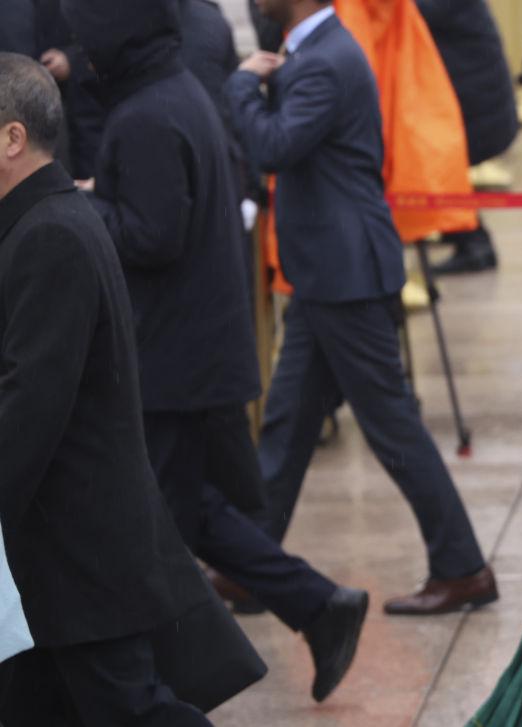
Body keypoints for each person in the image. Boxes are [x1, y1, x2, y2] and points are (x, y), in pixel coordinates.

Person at [61, 0, 367, 702]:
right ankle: (320, 606)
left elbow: (153, 234)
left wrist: (83, 203)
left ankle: (164, 687)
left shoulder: (145, 114)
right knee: (186, 511)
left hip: (171, 357)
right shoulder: (174, 93)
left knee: (155, 527)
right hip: (195, 348)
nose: (82, 56)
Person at [225, 0, 497, 615]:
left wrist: (241, 85)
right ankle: (251, 564)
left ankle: (462, 568)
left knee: (391, 425)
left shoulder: (324, 60)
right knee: (288, 422)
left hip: (344, 276)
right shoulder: (315, 52)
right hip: (327, 273)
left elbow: (272, 146)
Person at [0, 52, 211, 726]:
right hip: (58, 560)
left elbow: (29, 405)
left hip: (78, 560)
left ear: (12, 137)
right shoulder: (47, 219)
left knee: (135, 714)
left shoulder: (49, 235)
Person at [418, 0, 517, 275]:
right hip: (468, 94)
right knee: (440, 167)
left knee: (438, 165)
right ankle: (460, 233)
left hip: (474, 100)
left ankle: (473, 243)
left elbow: (419, 10)